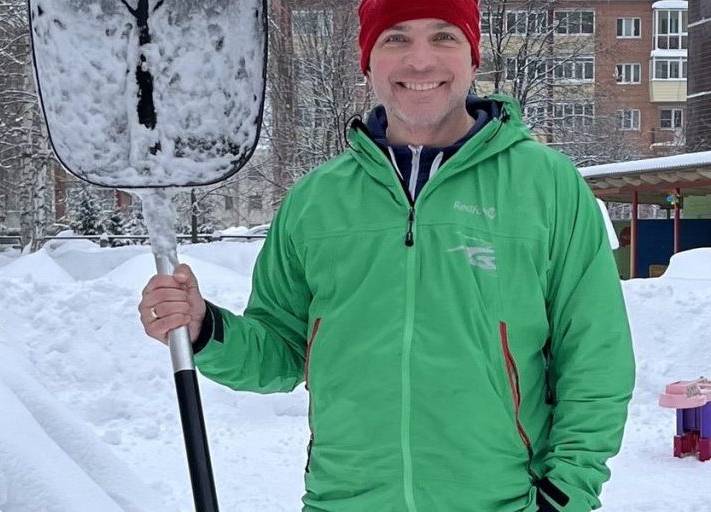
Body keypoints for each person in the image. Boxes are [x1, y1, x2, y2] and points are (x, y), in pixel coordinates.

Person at [138, 0, 635, 510]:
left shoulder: (547, 186)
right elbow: (283, 352)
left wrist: (564, 496)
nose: (420, 62)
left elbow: (596, 359)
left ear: (473, 56)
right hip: (343, 501)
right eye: (396, 38)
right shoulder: (316, 201)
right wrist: (203, 329)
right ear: (368, 60)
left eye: (443, 36)